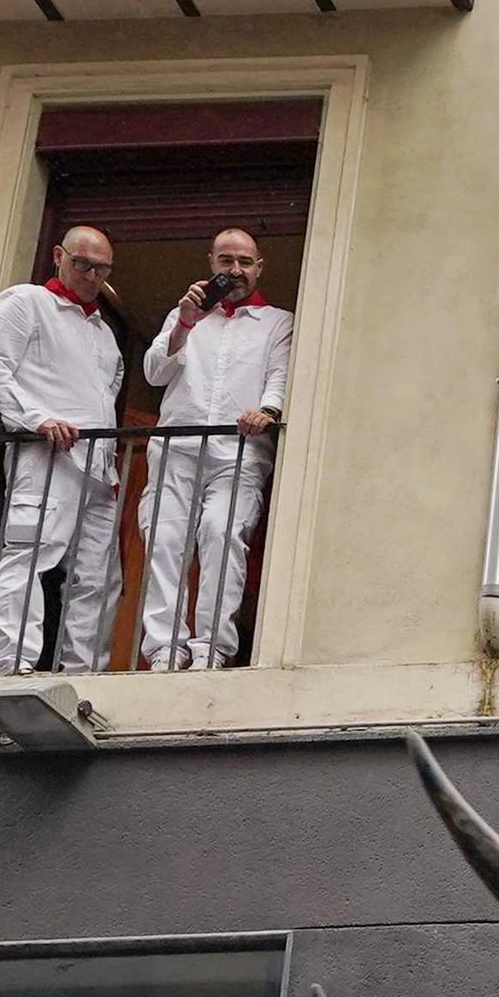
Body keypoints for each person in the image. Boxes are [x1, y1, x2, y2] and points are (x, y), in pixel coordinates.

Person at [134, 228, 295, 674]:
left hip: (239, 451)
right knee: (165, 539)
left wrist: (267, 409)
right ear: (211, 263)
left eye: (244, 262)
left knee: (223, 534)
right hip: (177, 448)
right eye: (226, 261)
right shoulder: (184, 315)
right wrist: (185, 321)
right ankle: (164, 650)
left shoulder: (279, 322)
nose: (235, 271)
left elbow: (280, 374)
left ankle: (210, 649)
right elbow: (154, 373)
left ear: (259, 267)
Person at [0, 227, 129, 677]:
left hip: (97, 468)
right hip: (46, 453)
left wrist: (110, 463)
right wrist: (37, 418)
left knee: (99, 578)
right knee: (30, 552)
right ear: (59, 256)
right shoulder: (25, 302)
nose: (92, 275)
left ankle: (83, 675)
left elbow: (106, 395)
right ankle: (12, 664)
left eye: (102, 269)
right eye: (83, 264)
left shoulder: (103, 333)